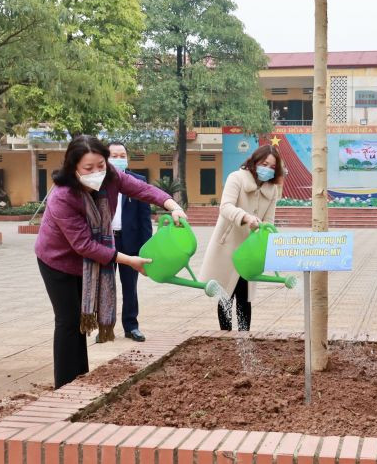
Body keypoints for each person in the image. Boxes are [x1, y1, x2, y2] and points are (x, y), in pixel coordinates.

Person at [35, 135, 187, 388]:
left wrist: (172, 206)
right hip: (57, 261)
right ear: (73, 168)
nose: (96, 172)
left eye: (101, 165)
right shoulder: (62, 196)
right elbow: (84, 245)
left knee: (79, 321)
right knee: (67, 321)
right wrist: (129, 260)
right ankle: (64, 384)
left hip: (86, 264)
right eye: (88, 168)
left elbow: (142, 189)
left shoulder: (112, 178)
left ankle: (79, 376)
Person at [199, 145, 284, 331]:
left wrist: (266, 237)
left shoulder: (272, 189)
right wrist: (245, 217)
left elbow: (269, 220)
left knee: (245, 297)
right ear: (254, 162)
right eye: (264, 164)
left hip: (250, 249)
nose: (267, 169)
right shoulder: (236, 178)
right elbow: (225, 207)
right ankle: (226, 337)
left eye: (272, 167)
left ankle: (244, 338)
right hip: (228, 246)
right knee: (225, 294)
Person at [105, 142, 151, 342]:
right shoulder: (99, 183)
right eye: (113, 156)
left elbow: (145, 219)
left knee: (129, 287)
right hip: (106, 242)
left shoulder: (137, 181)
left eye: (122, 155)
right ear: (105, 159)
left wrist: (147, 248)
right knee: (106, 286)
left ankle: (131, 326)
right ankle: (105, 327)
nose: (118, 159)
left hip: (130, 242)